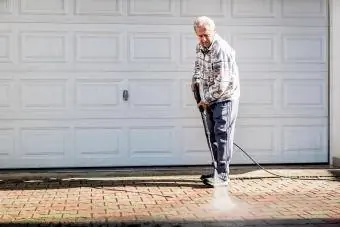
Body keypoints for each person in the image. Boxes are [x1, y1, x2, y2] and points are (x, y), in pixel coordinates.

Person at [191, 16, 240, 187]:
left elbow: (223, 83)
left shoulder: (221, 49)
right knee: (213, 135)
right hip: (210, 98)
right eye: (200, 36)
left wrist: (205, 100)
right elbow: (198, 67)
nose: (203, 39)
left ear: (214, 32)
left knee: (222, 136)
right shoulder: (200, 47)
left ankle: (223, 176)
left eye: (206, 35)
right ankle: (217, 170)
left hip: (225, 98)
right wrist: (195, 82)